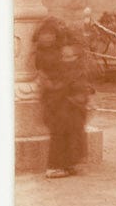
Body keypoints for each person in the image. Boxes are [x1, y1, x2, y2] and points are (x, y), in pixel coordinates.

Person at [33, 16, 92, 178]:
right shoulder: (40, 54)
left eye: (51, 34)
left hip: (64, 97)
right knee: (58, 133)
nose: (47, 37)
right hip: (54, 98)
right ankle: (54, 166)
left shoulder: (59, 50)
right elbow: (45, 76)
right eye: (44, 34)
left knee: (71, 131)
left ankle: (69, 163)